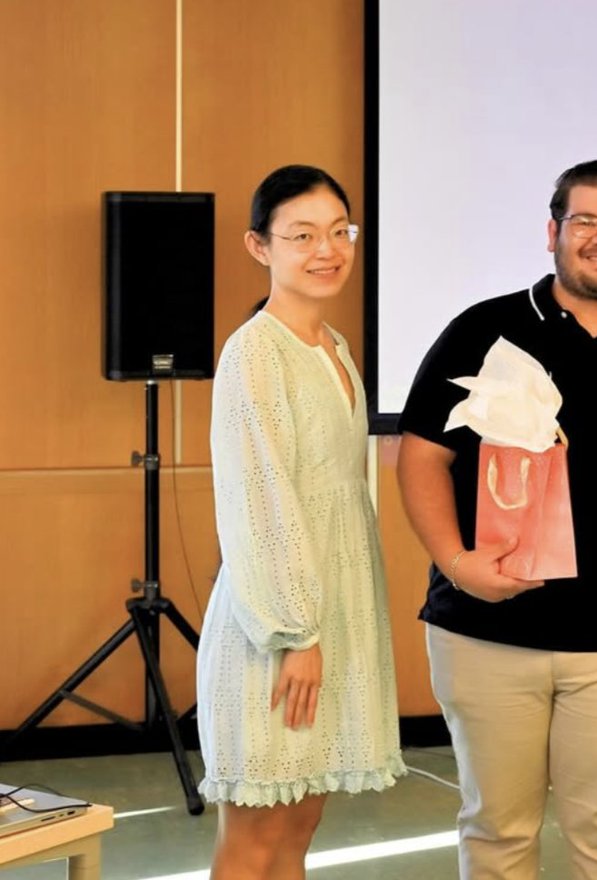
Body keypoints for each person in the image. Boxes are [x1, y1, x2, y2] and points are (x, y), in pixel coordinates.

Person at [396, 159, 597, 880]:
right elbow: (420, 459)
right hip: (487, 628)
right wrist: (457, 563)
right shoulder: (484, 330)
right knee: (497, 833)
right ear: (552, 232)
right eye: (585, 220)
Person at [197, 165, 405, 879]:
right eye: (302, 235)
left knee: (298, 825)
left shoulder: (335, 347)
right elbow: (260, 500)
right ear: (261, 246)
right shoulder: (255, 351)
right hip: (276, 632)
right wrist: (297, 633)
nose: (328, 250)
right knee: (254, 836)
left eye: (339, 232)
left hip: (327, 622)